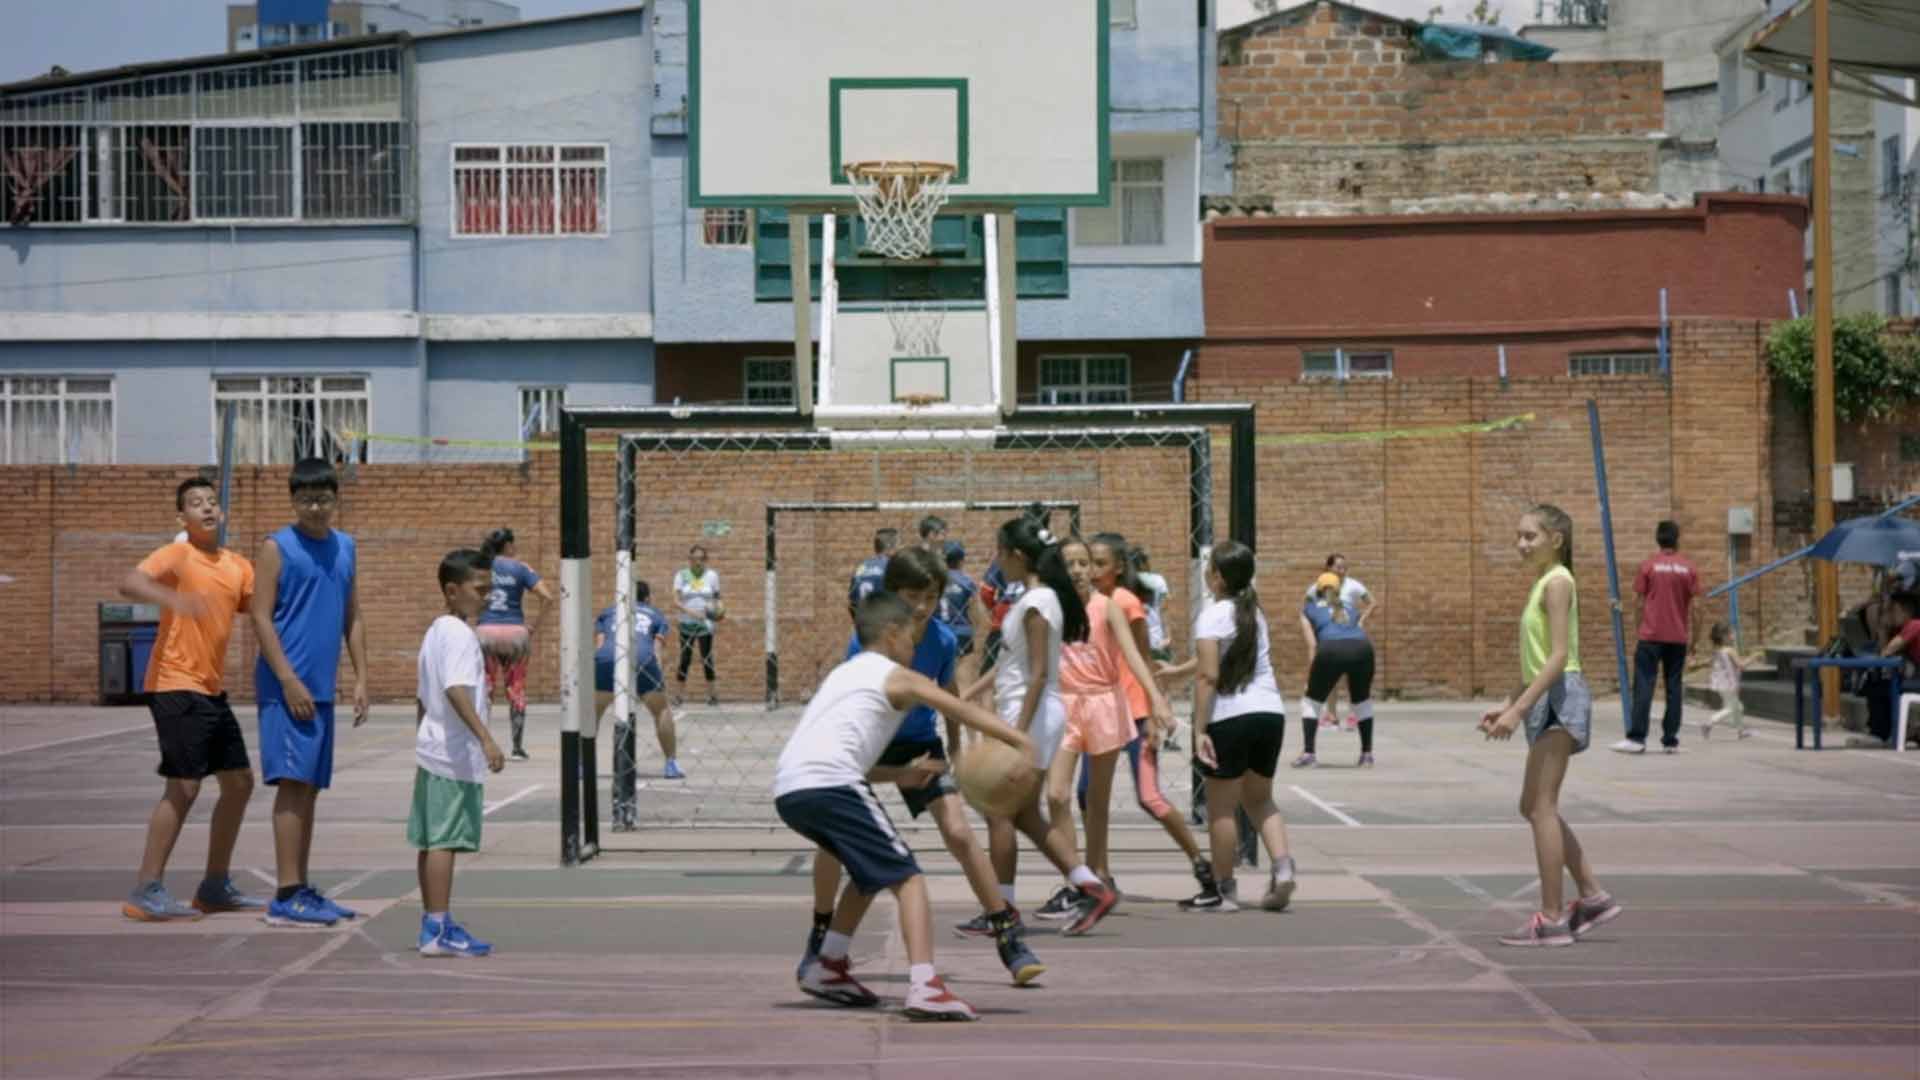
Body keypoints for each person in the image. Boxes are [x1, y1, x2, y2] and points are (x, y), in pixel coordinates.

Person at [777, 592, 1034, 1021]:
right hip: (832, 785)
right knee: (909, 878)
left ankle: (829, 965)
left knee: (868, 873)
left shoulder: (842, 676)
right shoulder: (897, 676)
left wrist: (899, 776)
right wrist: (1020, 741)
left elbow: (841, 753)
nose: (916, 648)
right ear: (892, 634)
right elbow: (960, 709)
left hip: (792, 788)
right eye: (912, 638)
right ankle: (926, 985)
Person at [959, 515, 1120, 937]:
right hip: (1030, 713)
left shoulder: (1036, 603)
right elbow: (1009, 664)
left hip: (1029, 715)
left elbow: (1038, 675)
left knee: (998, 811)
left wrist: (1016, 736)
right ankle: (1089, 886)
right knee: (1026, 814)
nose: (996, 560)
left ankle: (1003, 910)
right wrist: (969, 693)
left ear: (1016, 556)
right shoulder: (1035, 599)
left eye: (999, 552)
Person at [120, 477, 263, 922]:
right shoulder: (178, 555)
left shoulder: (238, 565)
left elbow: (262, 609)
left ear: (221, 513)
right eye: (195, 504)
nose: (205, 508)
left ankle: (214, 886)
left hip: (210, 690)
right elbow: (130, 581)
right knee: (183, 785)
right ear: (182, 518)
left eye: (211, 502)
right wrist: (171, 599)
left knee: (238, 783)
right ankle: (146, 889)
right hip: (173, 683)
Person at [1480, 504, 1622, 947]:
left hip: (1560, 699)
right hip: (1545, 698)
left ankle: (1553, 918)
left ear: (1555, 540)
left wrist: (1518, 710)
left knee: (1543, 807)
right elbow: (1536, 660)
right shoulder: (1543, 584)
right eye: (1518, 537)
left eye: (1530, 537)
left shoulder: (1558, 582)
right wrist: (1507, 703)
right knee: (1533, 806)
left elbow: (1560, 657)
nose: (1521, 544)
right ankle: (1593, 896)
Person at [250, 457, 369, 927]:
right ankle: (285, 893)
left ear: (337, 499)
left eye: (323, 498)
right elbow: (260, 616)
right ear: (293, 500)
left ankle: (300, 885)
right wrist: (287, 678)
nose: (315, 507)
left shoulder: (345, 547)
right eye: (306, 499)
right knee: (292, 786)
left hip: (322, 687)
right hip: (288, 687)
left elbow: (353, 615)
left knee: (311, 789)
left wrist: (360, 677)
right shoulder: (277, 547)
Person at [1033, 534, 1175, 919]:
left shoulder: (1107, 607)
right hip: (1064, 705)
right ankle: (1076, 877)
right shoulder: (1050, 608)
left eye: (1086, 563)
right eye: (1072, 563)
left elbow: (1133, 656)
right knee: (1057, 795)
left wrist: (1157, 700)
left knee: (1096, 800)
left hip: (1104, 704)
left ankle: (1095, 880)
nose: (1080, 570)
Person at [1175, 540, 1299, 913]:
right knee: (1260, 798)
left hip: (1230, 716)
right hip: (1269, 713)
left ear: (1216, 577)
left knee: (1222, 809)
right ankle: (1283, 867)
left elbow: (1208, 674)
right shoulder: (1253, 612)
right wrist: (1176, 671)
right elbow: (1216, 658)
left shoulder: (1212, 614)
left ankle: (1223, 891)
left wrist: (1198, 730)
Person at [411, 547, 508, 957]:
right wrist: (485, 736)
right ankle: (437, 928)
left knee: (432, 840)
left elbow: (422, 696)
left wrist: (421, 736)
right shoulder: (460, 636)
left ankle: (434, 920)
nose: (486, 597)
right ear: (452, 591)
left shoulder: (436, 631)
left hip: (433, 750)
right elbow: (455, 689)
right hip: (451, 755)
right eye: (479, 589)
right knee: (445, 841)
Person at [1617, 520, 1700, 755]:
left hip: (1650, 636)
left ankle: (1637, 738)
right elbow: (1699, 607)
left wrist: (1637, 630)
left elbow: (1638, 603)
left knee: (1644, 685)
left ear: (1657, 538)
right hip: (1678, 638)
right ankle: (1670, 740)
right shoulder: (1689, 568)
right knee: (1674, 688)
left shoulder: (1648, 566)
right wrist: (1695, 640)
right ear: (1677, 538)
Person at [476, 528, 555, 761]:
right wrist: (533, 627)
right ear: (508, 545)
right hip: (515, 633)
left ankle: (483, 743)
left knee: (485, 690)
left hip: (486, 631)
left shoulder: (481, 567)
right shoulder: (521, 568)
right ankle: (517, 747)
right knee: (516, 690)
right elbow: (547, 597)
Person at [595, 579, 682, 781]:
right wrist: (656, 677)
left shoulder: (608, 612)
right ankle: (671, 764)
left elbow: (600, 645)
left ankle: (581, 765)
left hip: (608, 657)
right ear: (648, 598)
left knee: (592, 712)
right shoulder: (656, 614)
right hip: (642, 657)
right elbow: (656, 649)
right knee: (661, 710)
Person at [1293, 571, 1379, 769]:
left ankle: (1309, 754)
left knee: (1311, 701)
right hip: (1362, 648)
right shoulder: (1350, 607)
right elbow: (1355, 631)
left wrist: (1311, 674)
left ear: (1317, 591)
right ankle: (1366, 754)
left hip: (1330, 649)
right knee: (1361, 700)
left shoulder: (1308, 609)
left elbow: (1312, 645)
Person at [1301, 554, 1376, 730]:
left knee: (1352, 678)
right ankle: (1331, 715)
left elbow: (1372, 603)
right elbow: (1307, 607)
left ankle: (1353, 715)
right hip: (1329, 636)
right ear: (1328, 568)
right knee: (1331, 677)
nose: (1342, 571)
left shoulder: (1354, 585)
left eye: (1345, 567)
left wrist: (1361, 620)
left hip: (1349, 633)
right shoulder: (1316, 588)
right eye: (1338, 567)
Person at [1855, 591, 1920, 749]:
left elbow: (1886, 652)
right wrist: (1883, 632)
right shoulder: (1904, 628)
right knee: (1879, 679)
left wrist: (1883, 629)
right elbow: (1884, 655)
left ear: (1905, 610)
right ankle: (1884, 731)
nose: (1888, 614)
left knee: (1879, 682)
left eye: (1891, 610)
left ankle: (1880, 732)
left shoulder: (1915, 625)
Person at [672, 544, 723, 707]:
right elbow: (676, 601)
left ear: (705, 560)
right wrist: (693, 613)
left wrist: (717, 613)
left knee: (707, 658)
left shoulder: (712, 576)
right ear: (690, 560)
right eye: (695, 558)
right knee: (685, 659)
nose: (698, 562)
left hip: (705, 624)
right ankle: (679, 696)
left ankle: (712, 695)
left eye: (702, 558)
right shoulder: (681, 575)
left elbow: (717, 599)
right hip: (687, 622)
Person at [1701, 621, 1758, 742]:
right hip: (1729, 685)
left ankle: (1741, 730)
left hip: (1721, 684)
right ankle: (1709, 723)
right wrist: (1754, 657)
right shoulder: (1730, 650)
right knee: (1732, 708)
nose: (1734, 635)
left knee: (1738, 707)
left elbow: (1710, 663)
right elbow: (1741, 665)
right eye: (1732, 633)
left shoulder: (1718, 651)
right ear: (1725, 636)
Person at [848, 528, 900, 617]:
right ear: (889, 546)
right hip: (884, 621)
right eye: (897, 545)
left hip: (863, 623)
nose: (899, 549)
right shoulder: (892, 567)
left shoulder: (862, 567)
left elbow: (851, 601)